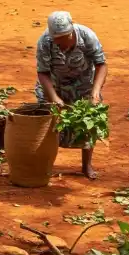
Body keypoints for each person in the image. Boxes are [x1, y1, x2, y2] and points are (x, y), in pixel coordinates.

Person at [35, 10, 108, 179]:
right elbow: (43, 72)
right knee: (48, 125)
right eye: (56, 40)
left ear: (71, 31)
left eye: (63, 39)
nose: (59, 43)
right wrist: (53, 97)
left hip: (83, 84)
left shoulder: (87, 36)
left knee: (88, 122)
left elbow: (101, 64)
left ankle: (86, 166)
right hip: (53, 84)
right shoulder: (45, 41)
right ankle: (46, 164)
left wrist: (95, 93)